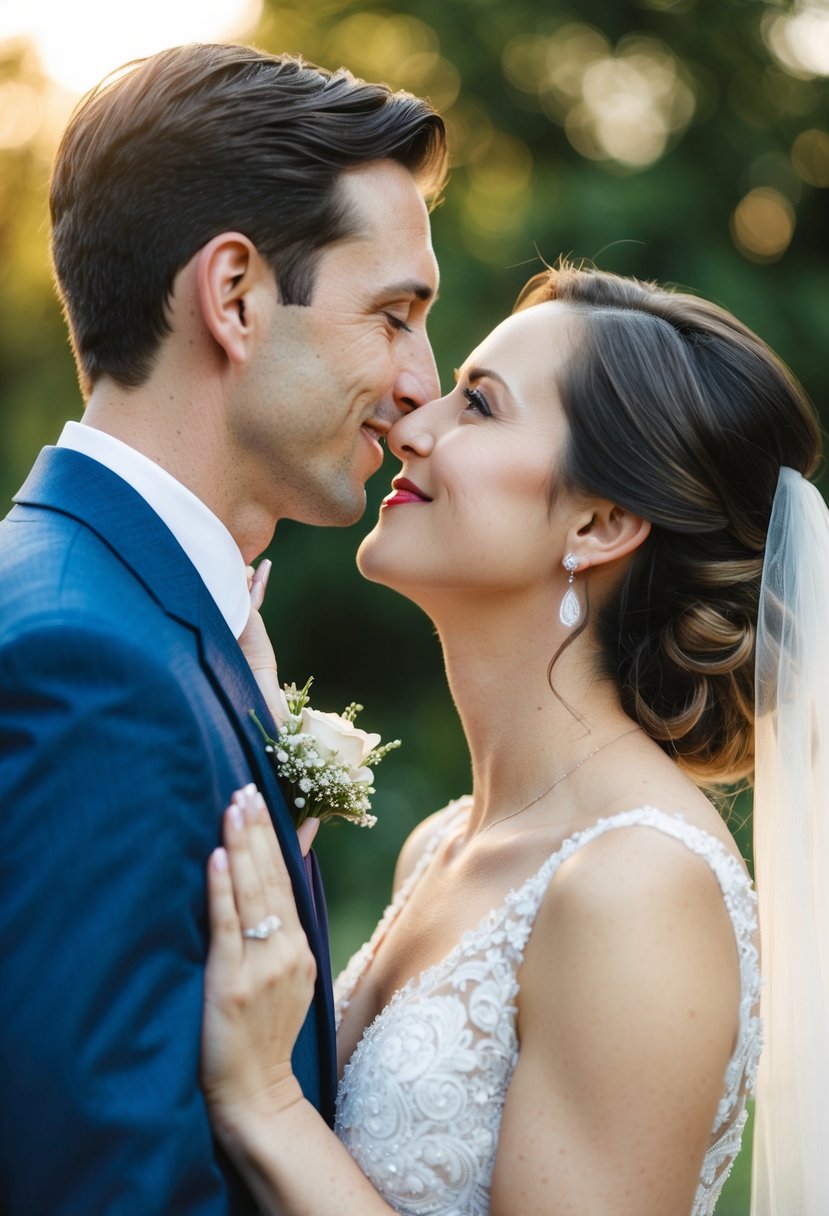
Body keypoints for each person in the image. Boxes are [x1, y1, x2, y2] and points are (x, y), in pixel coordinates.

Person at [197, 261, 828, 1215]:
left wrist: (266, 1102)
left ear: (601, 521)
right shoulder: (439, 845)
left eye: (477, 407)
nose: (409, 427)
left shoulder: (639, 887)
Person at [0, 42, 446, 1214]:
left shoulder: (116, 611)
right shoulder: (87, 667)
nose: (421, 385)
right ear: (235, 294)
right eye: (395, 316)